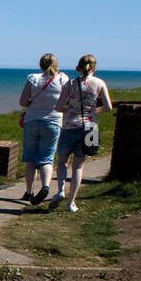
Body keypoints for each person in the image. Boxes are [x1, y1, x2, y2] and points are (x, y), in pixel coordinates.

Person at [52, 54, 112, 212]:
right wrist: (92, 111)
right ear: (94, 67)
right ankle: (72, 203)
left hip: (70, 126)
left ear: (78, 67)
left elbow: (58, 107)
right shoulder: (99, 83)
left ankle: (60, 191)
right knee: (78, 166)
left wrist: (70, 110)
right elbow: (108, 107)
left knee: (62, 161)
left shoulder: (70, 84)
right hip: (90, 127)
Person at [18, 54, 68, 205]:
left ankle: (29, 192)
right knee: (47, 158)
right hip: (53, 122)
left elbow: (22, 101)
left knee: (30, 158)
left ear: (40, 65)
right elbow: (67, 100)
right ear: (56, 64)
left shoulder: (33, 79)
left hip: (32, 121)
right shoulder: (63, 79)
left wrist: (34, 102)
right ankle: (45, 186)